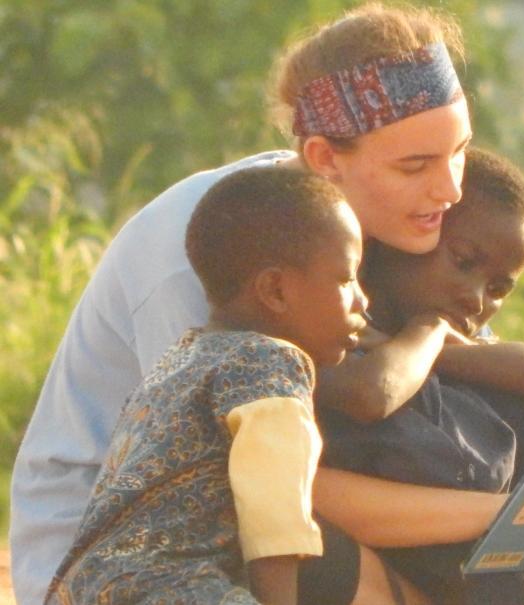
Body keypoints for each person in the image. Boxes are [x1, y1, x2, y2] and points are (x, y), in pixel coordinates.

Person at [12, 4, 473, 603]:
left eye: (459, 150)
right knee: (329, 563)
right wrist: (501, 511)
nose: (451, 187)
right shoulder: (212, 254)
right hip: (115, 560)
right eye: (416, 166)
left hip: (251, 520)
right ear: (324, 159)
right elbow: (269, 486)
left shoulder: (380, 221)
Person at [45, 166, 367, 604]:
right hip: (175, 589)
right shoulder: (271, 362)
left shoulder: (181, 358)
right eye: (346, 280)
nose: (361, 302)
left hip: (82, 588)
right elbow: (274, 517)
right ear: (274, 290)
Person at [298, 147, 524, 604]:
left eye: (498, 289)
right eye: (463, 261)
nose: (475, 300)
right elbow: (375, 395)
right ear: (407, 235)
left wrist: (433, 346)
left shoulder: (483, 379)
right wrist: (423, 334)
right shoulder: (334, 352)